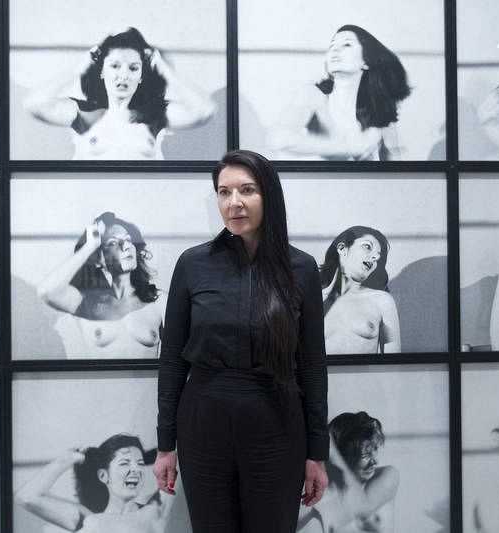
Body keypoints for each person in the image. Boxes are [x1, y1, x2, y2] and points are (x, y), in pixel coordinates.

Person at [153, 149, 329, 532]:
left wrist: (318, 453)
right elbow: (172, 361)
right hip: (204, 426)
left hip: (278, 426)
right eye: (223, 192)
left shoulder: (301, 269)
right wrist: (166, 444)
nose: (234, 203)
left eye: (247, 190)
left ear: (269, 196)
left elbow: (312, 365)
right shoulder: (192, 264)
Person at [22, 27, 215, 160]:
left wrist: (164, 70)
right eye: (115, 66)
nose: (123, 76)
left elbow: (204, 110)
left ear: (141, 75)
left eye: (133, 68)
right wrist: (79, 68)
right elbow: (33, 104)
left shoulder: (155, 115)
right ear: (102, 70)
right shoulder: (83, 113)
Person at [268, 25, 410, 161]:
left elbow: (396, 163)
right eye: (332, 46)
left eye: (347, 45)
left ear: (366, 61)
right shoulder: (314, 95)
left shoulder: (377, 109)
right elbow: (279, 139)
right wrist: (350, 148)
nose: (335, 50)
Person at [37, 212, 163, 358]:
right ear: (98, 259)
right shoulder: (84, 302)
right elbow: (47, 292)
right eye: (114, 243)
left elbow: (177, 361)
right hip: (98, 381)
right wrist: (90, 245)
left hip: (148, 381)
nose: (126, 246)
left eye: (128, 240)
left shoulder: (158, 301)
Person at [15, 434, 170, 533]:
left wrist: (149, 456)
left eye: (140, 463)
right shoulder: (88, 519)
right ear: (103, 476)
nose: (136, 469)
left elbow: (174, 453)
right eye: (124, 463)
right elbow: (26, 498)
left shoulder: (154, 508)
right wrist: (68, 459)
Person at [298, 411, 399, 533]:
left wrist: (333, 453)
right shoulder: (322, 498)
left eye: (375, 449)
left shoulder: (387, 476)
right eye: (366, 454)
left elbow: (363, 507)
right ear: (344, 457)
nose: (375, 461)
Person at [320, 226, 400, 354]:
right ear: (342, 248)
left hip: (368, 374)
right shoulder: (314, 299)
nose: (375, 257)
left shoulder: (381, 300)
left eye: (378, 256)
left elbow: (394, 360)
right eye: (368, 247)